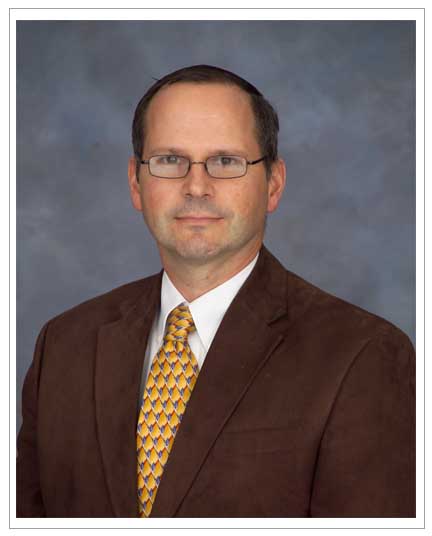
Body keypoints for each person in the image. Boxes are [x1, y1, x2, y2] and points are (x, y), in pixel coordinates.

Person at [16, 64, 415, 518]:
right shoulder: (65, 345)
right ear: (135, 183)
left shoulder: (363, 356)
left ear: (273, 184)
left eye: (226, 161)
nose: (196, 186)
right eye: (170, 160)